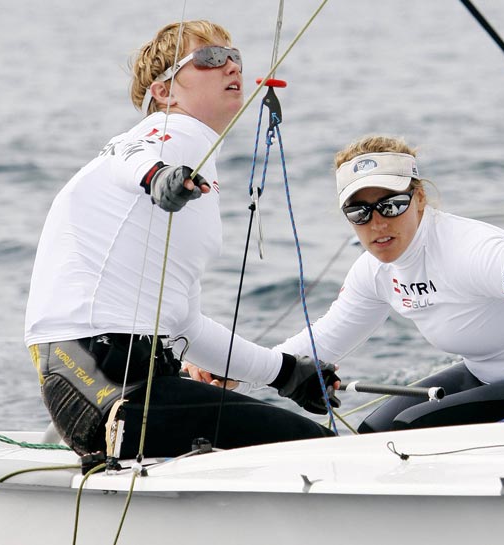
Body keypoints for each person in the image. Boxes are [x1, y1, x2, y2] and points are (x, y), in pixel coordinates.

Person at [24, 20, 339, 459]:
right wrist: (157, 175)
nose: (230, 65)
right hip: (106, 377)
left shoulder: (193, 167)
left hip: (100, 385)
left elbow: (186, 323)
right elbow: (127, 154)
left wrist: (284, 373)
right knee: (318, 449)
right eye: (210, 58)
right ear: (164, 92)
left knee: (293, 440)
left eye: (234, 56)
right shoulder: (164, 138)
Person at [266, 135, 504, 431]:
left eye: (391, 205)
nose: (377, 224)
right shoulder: (373, 271)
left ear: (419, 199)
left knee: (407, 431)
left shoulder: (467, 249)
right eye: (359, 212)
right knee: (372, 432)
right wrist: (239, 370)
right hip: (485, 375)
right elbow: (324, 340)